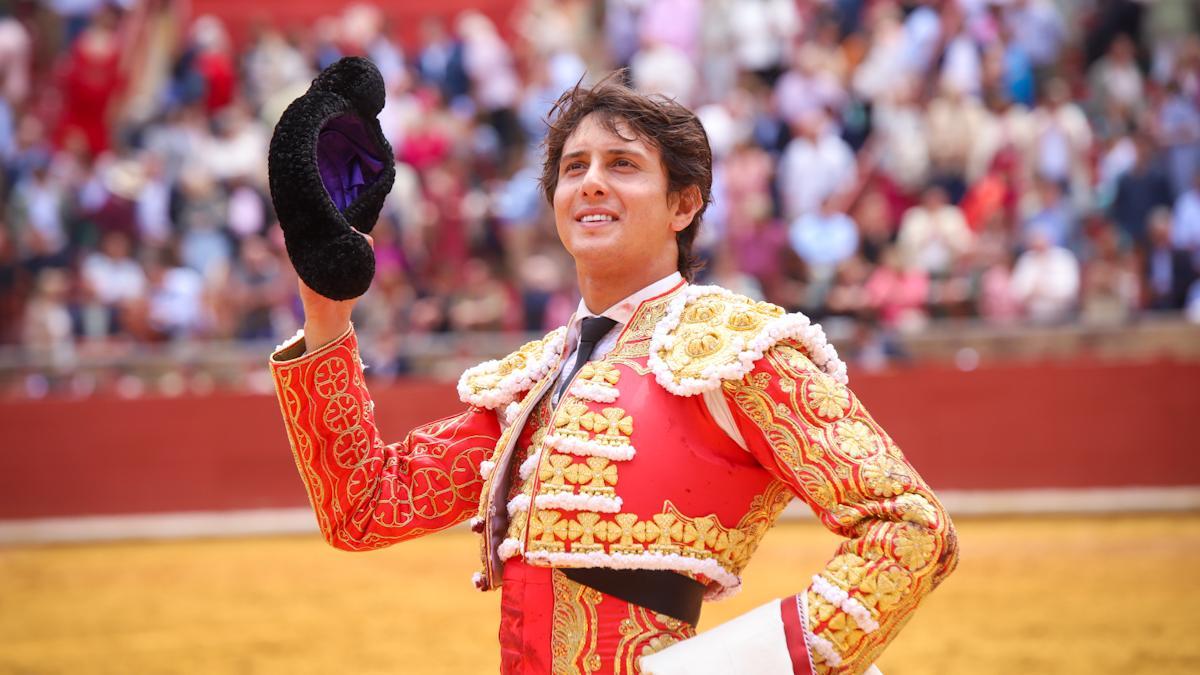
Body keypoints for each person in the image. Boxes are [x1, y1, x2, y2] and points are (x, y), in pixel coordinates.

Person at [268, 74, 957, 674]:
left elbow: (911, 525)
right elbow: (365, 506)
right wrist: (327, 312)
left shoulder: (733, 349)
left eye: (623, 164)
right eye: (574, 168)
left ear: (683, 205)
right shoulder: (538, 379)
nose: (591, 180)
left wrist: (740, 668)